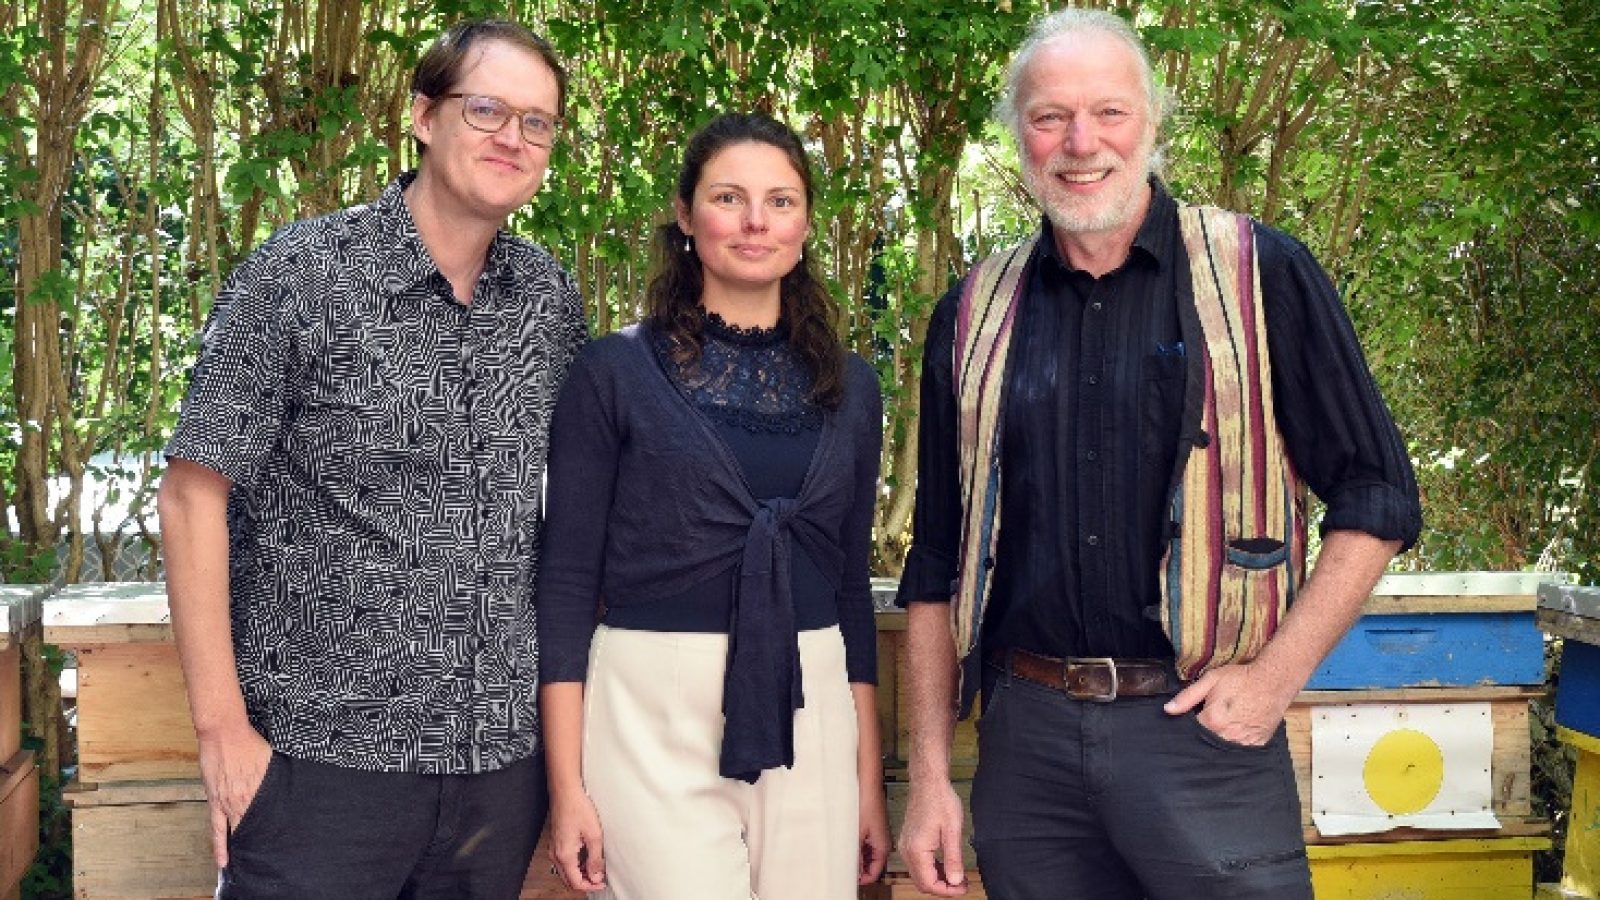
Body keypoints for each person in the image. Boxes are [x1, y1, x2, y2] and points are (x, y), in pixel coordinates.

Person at [894, 9, 1423, 900]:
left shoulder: (1262, 273)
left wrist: (1274, 679)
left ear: (1152, 123)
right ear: (1017, 136)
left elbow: (1377, 496)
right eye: (1049, 116)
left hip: (1204, 743)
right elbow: (937, 559)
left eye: (1109, 112)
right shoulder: (972, 310)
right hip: (1028, 753)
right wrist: (934, 779)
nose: (1079, 142)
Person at [157, 19, 587, 899]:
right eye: (486, 109)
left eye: (537, 121)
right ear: (423, 116)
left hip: (496, 775)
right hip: (318, 766)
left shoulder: (548, 300)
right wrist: (221, 731)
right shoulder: (302, 273)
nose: (513, 136)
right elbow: (191, 493)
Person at [535, 111, 891, 900]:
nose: (757, 221)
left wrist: (867, 777)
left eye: (782, 200)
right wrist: (568, 791)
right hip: (650, 715)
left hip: (815, 706)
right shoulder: (614, 372)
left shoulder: (854, 388)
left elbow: (848, 591)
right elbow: (563, 588)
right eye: (729, 197)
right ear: (685, 215)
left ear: (805, 224)